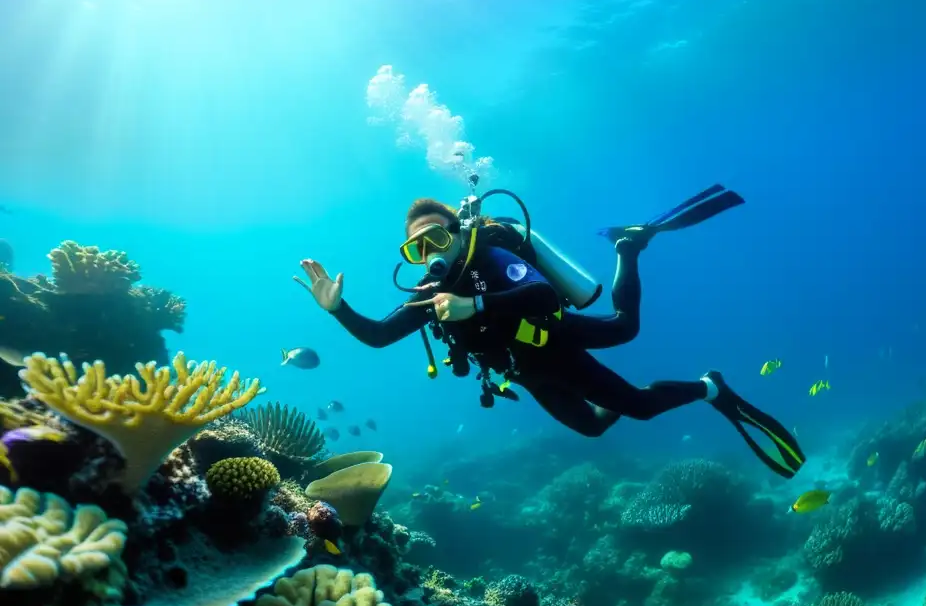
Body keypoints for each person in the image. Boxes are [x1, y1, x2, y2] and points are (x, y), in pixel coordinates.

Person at [295, 186, 805, 478]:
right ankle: (621, 394)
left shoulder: (489, 255)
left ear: (457, 233)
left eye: (436, 239)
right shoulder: (430, 292)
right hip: (527, 373)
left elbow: (540, 296)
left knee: (633, 360)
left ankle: (707, 382)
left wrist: (473, 304)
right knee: (590, 426)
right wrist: (338, 310)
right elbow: (380, 336)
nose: (429, 254)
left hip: (555, 342)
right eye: (416, 249)